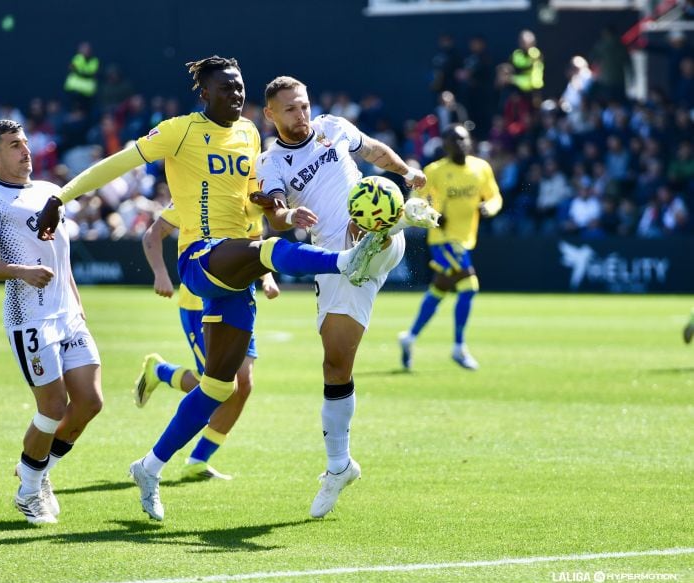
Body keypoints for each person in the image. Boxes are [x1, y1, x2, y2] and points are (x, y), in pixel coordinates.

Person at [35, 56, 388, 521]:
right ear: (204, 93)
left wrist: (277, 211)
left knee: (220, 387)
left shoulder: (250, 134)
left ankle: (149, 467)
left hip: (234, 269)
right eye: (226, 88)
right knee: (267, 252)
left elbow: (253, 201)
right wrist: (61, 197)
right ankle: (346, 260)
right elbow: (117, 163)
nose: (236, 94)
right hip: (200, 256)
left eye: (240, 87)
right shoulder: (178, 131)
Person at [253, 76, 438, 518]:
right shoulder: (270, 162)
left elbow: (372, 150)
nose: (301, 115)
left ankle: (390, 220)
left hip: (370, 244)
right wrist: (287, 215)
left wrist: (405, 172)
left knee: (373, 209)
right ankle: (339, 466)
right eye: (291, 109)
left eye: (304, 106)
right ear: (271, 115)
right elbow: (275, 213)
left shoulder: (333, 127)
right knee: (335, 365)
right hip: (334, 263)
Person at [0, 119, 104, 525]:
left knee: (90, 403)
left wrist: (78, 306)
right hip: (29, 319)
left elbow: (61, 262)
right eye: (14, 145)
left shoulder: (50, 193)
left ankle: (35, 468)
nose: (25, 151)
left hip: (69, 316)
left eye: (26, 143)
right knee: (52, 406)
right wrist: (22, 271)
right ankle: (30, 490)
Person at [135, 199, 279, 480]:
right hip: (198, 305)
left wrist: (267, 278)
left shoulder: (248, 194)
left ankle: (198, 459)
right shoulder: (197, 191)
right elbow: (153, 234)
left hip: (238, 300)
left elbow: (255, 242)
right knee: (218, 386)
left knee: (244, 383)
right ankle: (160, 371)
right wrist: (160, 274)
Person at [399, 124, 503, 371]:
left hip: (466, 240)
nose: (459, 143)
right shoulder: (434, 171)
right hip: (443, 240)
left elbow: (495, 196)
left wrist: (490, 208)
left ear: (470, 141)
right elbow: (415, 201)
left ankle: (409, 337)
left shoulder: (481, 168)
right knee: (469, 286)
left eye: (462, 139)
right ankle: (458, 347)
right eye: (453, 140)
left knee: (439, 290)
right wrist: (432, 214)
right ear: (444, 145)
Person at [64, 42, 99, 111]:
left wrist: (79, 71)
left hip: (87, 93)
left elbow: (93, 73)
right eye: (83, 49)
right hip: (74, 91)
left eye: (87, 50)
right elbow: (71, 68)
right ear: (79, 51)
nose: (86, 51)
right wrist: (84, 73)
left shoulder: (94, 60)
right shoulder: (77, 58)